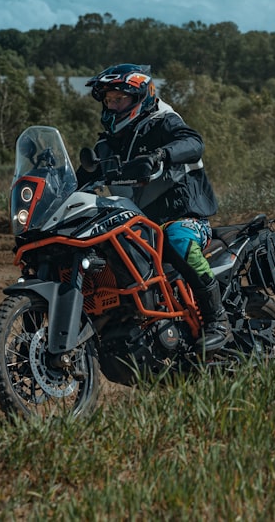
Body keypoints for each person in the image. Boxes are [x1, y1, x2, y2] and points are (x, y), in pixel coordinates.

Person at [76, 63, 232, 354]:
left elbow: (194, 143)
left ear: (140, 97)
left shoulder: (163, 121)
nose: (112, 105)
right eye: (108, 100)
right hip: (137, 227)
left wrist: (162, 154)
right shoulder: (107, 145)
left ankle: (217, 320)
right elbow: (78, 181)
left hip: (184, 218)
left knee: (178, 238)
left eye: (118, 99)